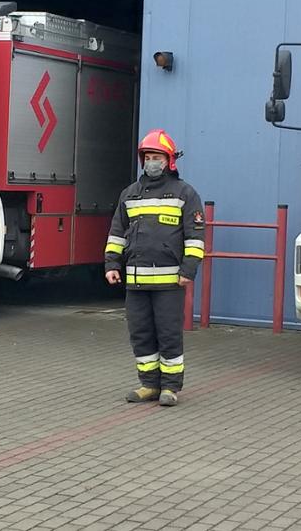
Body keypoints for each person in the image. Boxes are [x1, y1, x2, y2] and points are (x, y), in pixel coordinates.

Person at [104, 129, 206, 406]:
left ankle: (171, 387)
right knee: (140, 333)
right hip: (136, 282)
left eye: (157, 157)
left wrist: (188, 270)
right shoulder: (130, 195)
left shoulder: (185, 194)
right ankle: (148, 384)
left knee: (168, 333)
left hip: (169, 282)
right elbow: (116, 233)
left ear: (169, 160)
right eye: (148, 157)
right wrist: (112, 264)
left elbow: (195, 237)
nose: (152, 162)